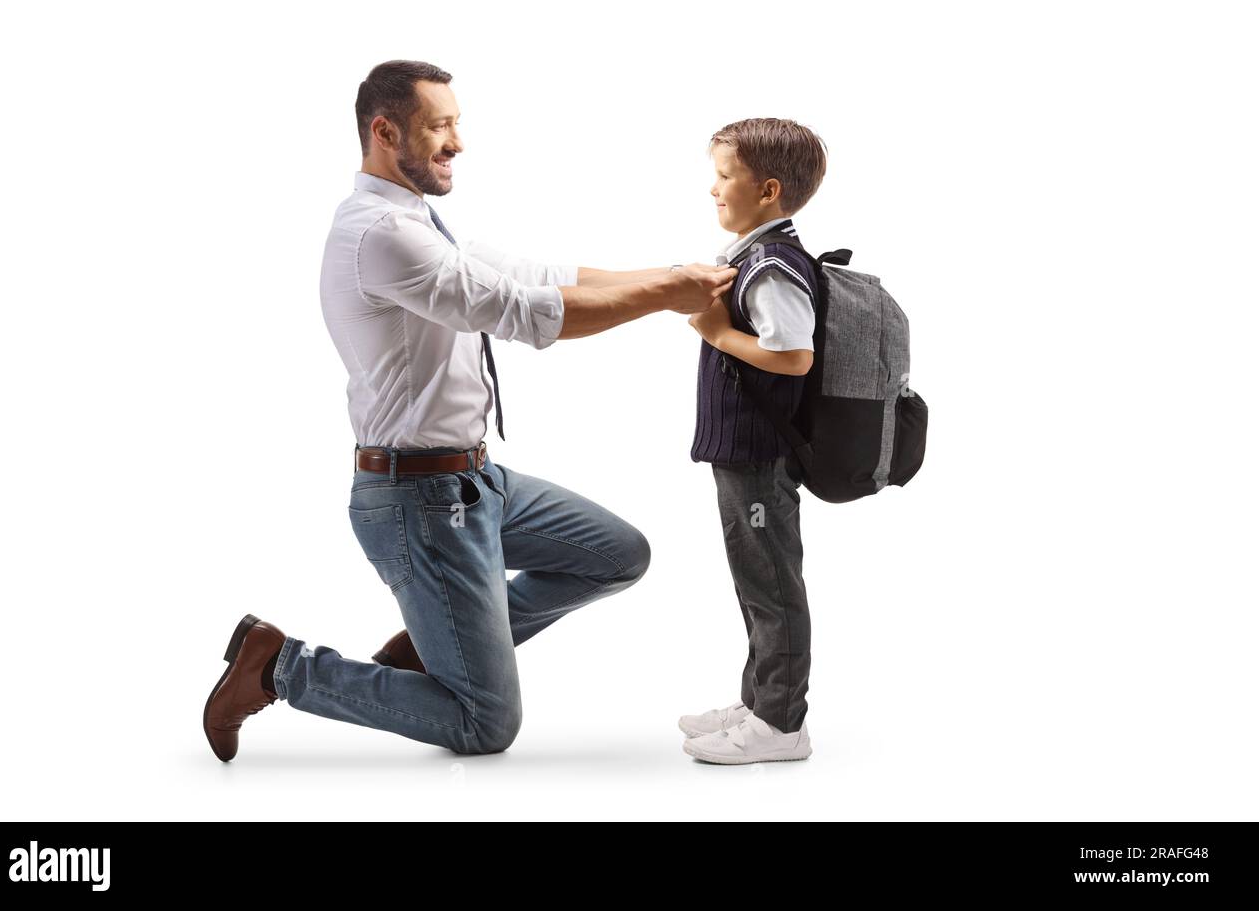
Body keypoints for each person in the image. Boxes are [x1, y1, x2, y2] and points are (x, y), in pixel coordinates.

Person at [202, 60, 735, 761]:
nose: (458, 142)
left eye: (457, 124)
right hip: (416, 498)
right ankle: (279, 667)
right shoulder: (379, 234)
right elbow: (519, 310)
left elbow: (536, 275)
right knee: (484, 725)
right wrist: (669, 298)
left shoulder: (416, 219)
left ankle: (444, 641)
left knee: (616, 555)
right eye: (441, 126)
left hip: (477, 483)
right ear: (385, 131)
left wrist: (671, 275)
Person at [679, 118, 828, 764]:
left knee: (771, 587)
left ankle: (782, 726)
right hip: (743, 455)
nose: (713, 188)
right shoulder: (750, 258)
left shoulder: (770, 266)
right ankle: (761, 700)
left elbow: (793, 356)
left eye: (724, 175)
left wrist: (712, 331)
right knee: (754, 583)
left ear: (768, 190)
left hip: (761, 455)